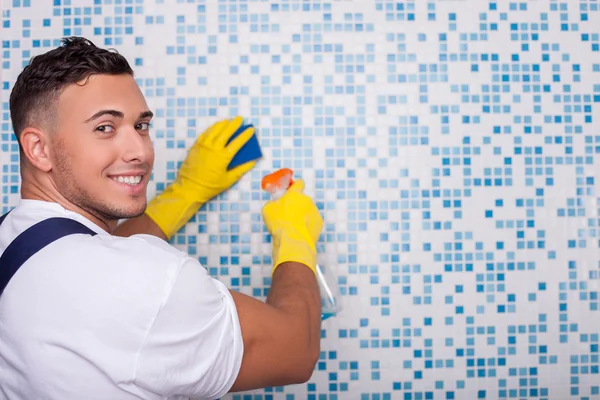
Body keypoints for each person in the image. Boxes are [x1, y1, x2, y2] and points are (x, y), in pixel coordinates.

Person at [0, 36, 324, 399]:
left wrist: (185, 193)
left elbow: (99, 260)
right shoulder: (150, 284)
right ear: (38, 148)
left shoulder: (13, 236)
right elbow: (297, 349)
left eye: (141, 126)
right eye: (105, 127)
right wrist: (296, 238)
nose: (140, 150)